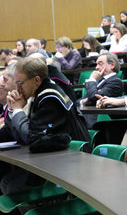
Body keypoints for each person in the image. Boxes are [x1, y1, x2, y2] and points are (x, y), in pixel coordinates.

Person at [0, 57, 89, 193]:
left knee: (11, 186)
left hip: (69, 164)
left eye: (20, 83)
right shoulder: (41, 92)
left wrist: (18, 110)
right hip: (54, 160)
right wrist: (13, 110)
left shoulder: (49, 97)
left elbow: (32, 138)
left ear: (36, 80)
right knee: (6, 181)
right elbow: (19, 135)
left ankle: (40, 213)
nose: (17, 88)